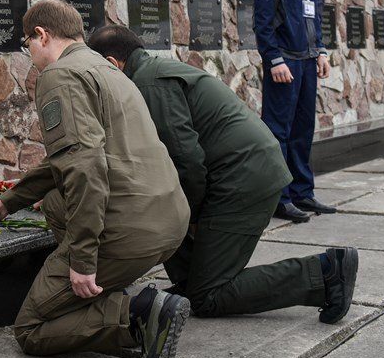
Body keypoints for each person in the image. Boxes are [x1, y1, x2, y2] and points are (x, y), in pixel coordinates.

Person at [0, 0, 191, 358]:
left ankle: (138, 315)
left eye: (27, 43)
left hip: (128, 231)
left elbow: (84, 167)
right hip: (170, 222)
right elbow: (70, 157)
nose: (29, 53)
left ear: (41, 35)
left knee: (31, 328)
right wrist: (7, 203)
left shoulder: (59, 76)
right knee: (54, 203)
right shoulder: (108, 69)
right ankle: (106, 291)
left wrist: (83, 261)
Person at [88, 25, 359, 323]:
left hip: (244, 178)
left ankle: (324, 272)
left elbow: (186, 161)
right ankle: (192, 282)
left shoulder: (147, 85)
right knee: (165, 216)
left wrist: (190, 217)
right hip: (241, 171)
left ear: (113, 64)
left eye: (94, 73)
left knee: (208, 297)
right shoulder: (153, 72)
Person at [252, 0, 335, 223]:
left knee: (303, 129)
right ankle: (279, 198)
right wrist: (274, 59)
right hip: (284, 60)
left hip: (307, 60)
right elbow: (263, 19)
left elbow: (315, 14)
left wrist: (321, 51)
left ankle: (302, 192)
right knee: (279, 132)